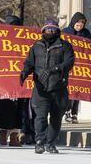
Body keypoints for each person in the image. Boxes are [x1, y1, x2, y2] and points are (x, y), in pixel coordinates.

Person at [20, 18, 76, 155]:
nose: (50, 31)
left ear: (57, 31)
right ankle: (39, 142)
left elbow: (69, 62)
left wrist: (55, 69)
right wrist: (24, 73)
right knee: (40, 116)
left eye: (53, 29)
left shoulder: (65, 46)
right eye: (47, 29)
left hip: (59, 87)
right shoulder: (36, 46)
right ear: (43, 31)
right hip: (41, 88)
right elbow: (29, 63)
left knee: (56, 118)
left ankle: (50, 143)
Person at [62, 12, 90, 121]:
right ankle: (67, 110)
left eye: (82, 23)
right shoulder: (65, 32)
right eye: (78, 22)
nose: (80, 25)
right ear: (73, 22)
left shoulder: (86, 33)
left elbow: (90, 47)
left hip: (81, 64)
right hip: (67, 63)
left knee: (78, 88)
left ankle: (74, 113)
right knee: (68, 88)